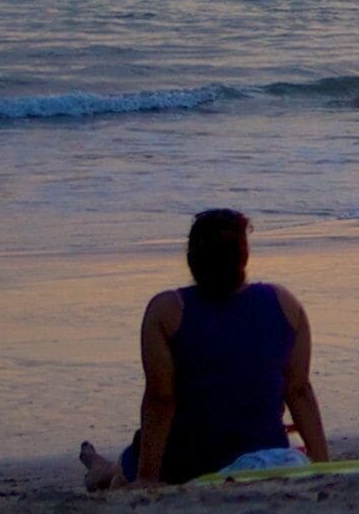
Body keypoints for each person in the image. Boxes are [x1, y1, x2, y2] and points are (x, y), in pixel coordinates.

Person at [78, 210, 330, 489]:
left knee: (119, 480)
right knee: (121, 469)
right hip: (264, 451)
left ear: (191, 259)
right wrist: (323, 465)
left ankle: (101, 470)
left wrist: (148, 477)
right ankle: (100, 466)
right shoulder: (285, 304)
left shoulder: (168, 311)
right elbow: (299, 391)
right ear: (243, 258)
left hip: (189, 462)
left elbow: (161, 399)